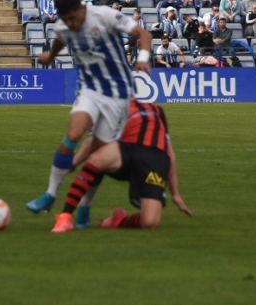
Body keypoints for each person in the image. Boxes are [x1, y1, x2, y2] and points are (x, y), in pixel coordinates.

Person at [26, 0, 152, 227]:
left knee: (97, 157)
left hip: (118, 94)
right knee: (73, 134)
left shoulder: (103, 15)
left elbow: (143, 34)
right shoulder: (63, 26)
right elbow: (60, 40)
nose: (71, 24)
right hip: (90, 89)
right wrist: (50, 56)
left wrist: (143, 59)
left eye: (74, 18)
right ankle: (50, 194)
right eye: (66, 20)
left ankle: (85, 207)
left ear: (82, 9)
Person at [52, 97, 192, 232]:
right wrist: (74, 162)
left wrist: (175, 193)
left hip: (153, 160)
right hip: (127, 150)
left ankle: (118, 221)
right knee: (96, 158)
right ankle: (66, 216)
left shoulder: (157, 110)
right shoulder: (113, 109)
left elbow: (170, 151)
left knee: (149, 223)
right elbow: (92, 141)